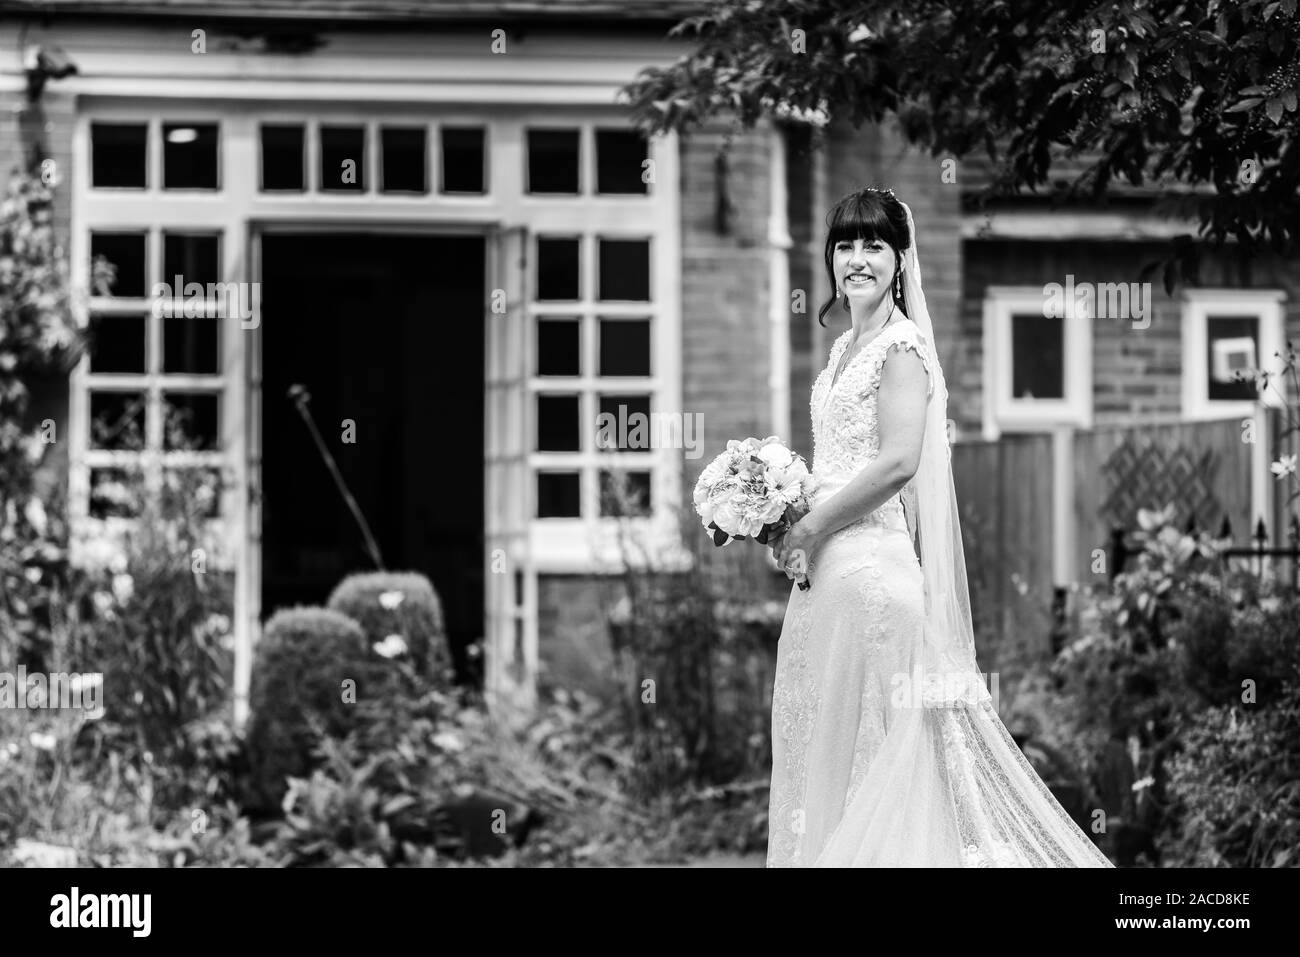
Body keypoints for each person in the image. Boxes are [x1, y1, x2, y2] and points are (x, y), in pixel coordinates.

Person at [765, 187, 1113, 867]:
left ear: (901, 260)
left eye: (874, 245)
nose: (857, 259)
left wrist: (811, 528)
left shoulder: (901, 346)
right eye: (845, 245)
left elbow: (897, 462)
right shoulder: (843, 349)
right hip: (830, 582)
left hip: (872, 581)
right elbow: (845, 462)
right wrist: (779, 505)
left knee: (881, 764)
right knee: (829, 754)